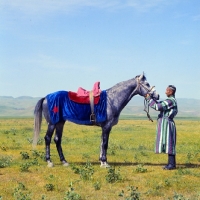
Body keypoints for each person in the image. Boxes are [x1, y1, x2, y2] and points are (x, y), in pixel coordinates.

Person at [145, 85, 178, 170]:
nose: (165, 92)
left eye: (167, 90)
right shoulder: (170, 100)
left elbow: (158, 107)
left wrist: (149, 99)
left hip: (167, 124)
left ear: (171, 92)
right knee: (168, 143)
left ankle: (172, 164)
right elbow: (160, 104)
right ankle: (170, 164)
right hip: (165, 123)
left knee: (169, 143)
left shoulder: (170, 101)